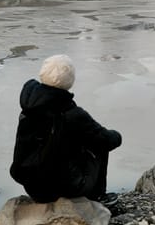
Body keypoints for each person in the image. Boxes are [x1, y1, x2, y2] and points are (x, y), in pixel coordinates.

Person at [9, 54, 122, 205]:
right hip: (64, 188)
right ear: (70, 81)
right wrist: (116, 135)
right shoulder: (71, 113)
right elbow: (107, 141)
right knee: (98, 145)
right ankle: (98, 196)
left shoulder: (29, 108)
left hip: (33, 187)